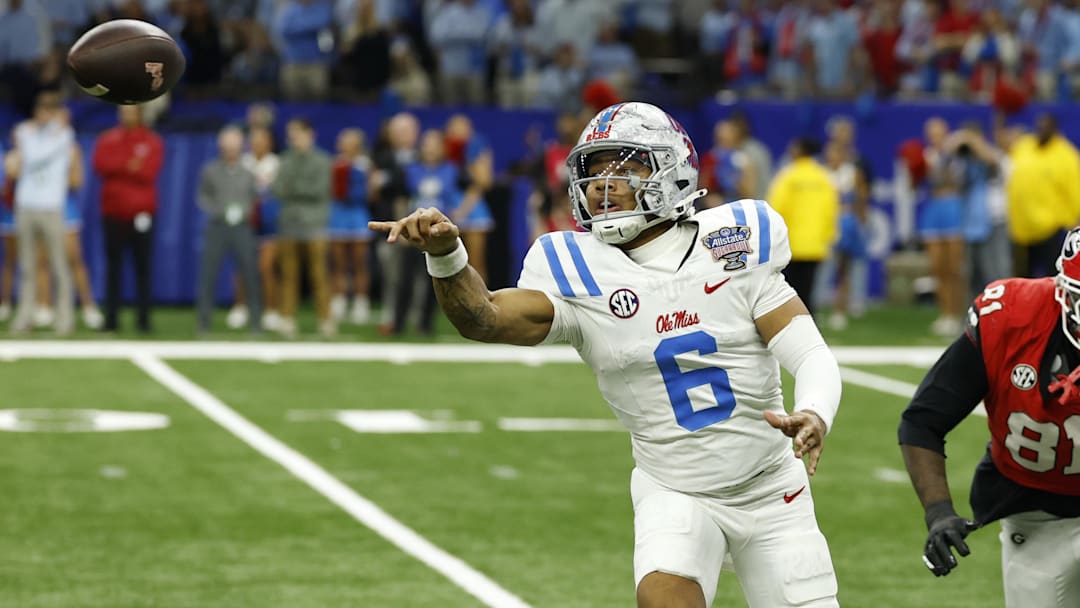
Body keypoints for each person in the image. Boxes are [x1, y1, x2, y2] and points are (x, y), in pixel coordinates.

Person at [370, 102, 842, 608]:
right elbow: (483, 317)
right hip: (675, 489)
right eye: (594, 171)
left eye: (625, 167)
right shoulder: (578, 270)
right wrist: (446, 256)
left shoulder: (731, 242)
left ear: (673, 169)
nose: (603, 183)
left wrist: (814, 410)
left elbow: (810, 352)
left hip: (772, 489)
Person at [898, 227, 1080, 607]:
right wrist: (938, 512)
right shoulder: (1011, 318)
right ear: (1065, 291)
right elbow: (922, 422)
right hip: (1036, 515)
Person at [92, 104, 164, 334]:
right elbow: (101, 165)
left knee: (143, 268)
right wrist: (128, 165)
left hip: (142, 213)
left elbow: (148, 171)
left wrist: (120, 168)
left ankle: (143, 320)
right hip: (113, 212)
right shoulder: (109, 138)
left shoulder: (151, 140)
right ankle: (111, 319)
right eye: (123, 111)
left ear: (140, 113)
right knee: (114, 268)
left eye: (130, 111)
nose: (126, 115)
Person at [10, 92, 75, 336]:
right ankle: (24, 317)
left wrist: (52, 129)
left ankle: (64, 319)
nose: (44, 114)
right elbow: (22, 147)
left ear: (55, 112)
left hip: (51, 206)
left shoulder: (64, 134)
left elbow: (35, 157)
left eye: (49, 110)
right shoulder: (27, 132)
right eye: (41, 110)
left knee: (59, 264)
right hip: (26, 205)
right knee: (26, 265)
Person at [195, 126, 261, 335]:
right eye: (227, 147)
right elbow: (203, 197)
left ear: (241, 148)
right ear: (221, 147)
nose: (231, 151)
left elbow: (254, 197)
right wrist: (220, 211)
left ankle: (256, 323)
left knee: (250, 274)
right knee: (208, 274)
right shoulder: (210, 170)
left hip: (242, 227)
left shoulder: (248, 172)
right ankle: (203, 324)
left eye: (235, 147)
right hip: (217, 226)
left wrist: (243, 211)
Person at [272, 117, 333, 338]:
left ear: (310, 134)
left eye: (297, 133)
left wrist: (293, 187)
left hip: (315, 224)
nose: (293, 138)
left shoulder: (322, 160)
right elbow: (277, 189)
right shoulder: (285, 159)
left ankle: (326, 319)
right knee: (288, 275)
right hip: (288, 224)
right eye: (291, 134)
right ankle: (287, 318)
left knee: (319, 274)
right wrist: (295, 188)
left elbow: (319, 190)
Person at [328, 128, 375, 325]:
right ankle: (339, 300)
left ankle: (360, 302)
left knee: (359, 262)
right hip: (339, 215)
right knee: (338, 262)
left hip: (357, 215)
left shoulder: (365, 165)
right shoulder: (334, 164)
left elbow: (372, 194)